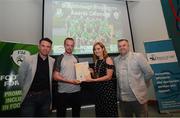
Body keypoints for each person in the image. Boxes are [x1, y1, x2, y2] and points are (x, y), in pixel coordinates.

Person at [114, 39, 154, 117]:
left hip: (138, 98)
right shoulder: (116, 60)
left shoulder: (138, 56)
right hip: (123, 100)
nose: (122, 47)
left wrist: (141, 83)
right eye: (119, 46)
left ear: (128, 46)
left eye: (124, 45)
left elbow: (149, 73)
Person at [17, 38, 55, 116]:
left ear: (50, 48)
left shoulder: (52, 61)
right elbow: (20, 77)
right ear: (39, 46)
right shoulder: (28, 59)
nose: (45, 48)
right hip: (30, 97)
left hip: (46, 97)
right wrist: (26, 89)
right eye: (43, 46)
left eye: (48, 46)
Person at [84, 42, 118, 117]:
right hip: (99, 91)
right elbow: (97, 76)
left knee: (109, 112)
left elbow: (109, 76)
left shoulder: (108, 59)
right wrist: (92, 72)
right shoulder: (96, 61)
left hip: (107, 91)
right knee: (100, 112)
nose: (96, 51)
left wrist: (93, 80)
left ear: (103, 49)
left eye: (98, 48)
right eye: (95, 49)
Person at [53, 37, 81, 117]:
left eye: (72, 45)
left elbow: (79, 73)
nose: (70, 47)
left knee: (76, 114)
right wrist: (71, 81)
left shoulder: (76, 57)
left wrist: (87, 71)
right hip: (63, 92)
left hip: (76, 91)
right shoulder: (59, 58)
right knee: (61, 114)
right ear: (64, 46)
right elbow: (55, 76)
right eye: (68, 45)